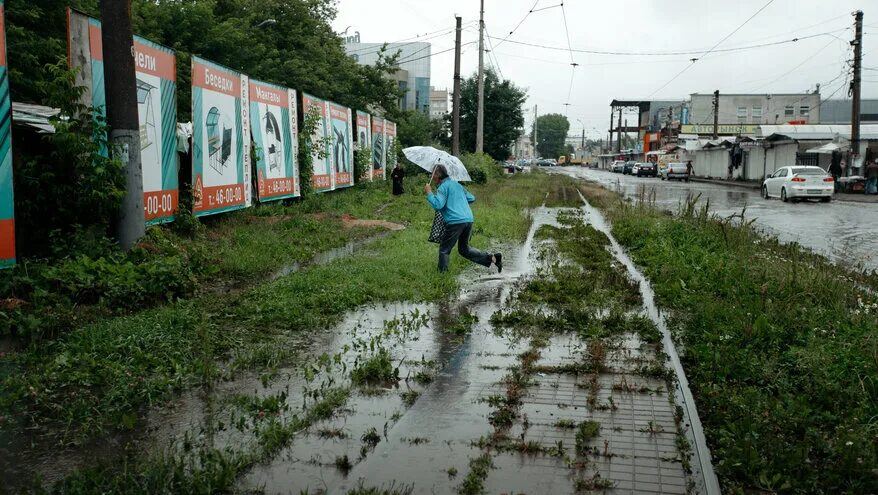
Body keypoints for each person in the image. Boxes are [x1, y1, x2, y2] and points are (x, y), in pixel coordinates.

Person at [425, 164, 502, 273]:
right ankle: (493, 258)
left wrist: (429, 193)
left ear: (438, 174)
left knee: (444, 250)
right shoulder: (457, 185)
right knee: (464, 249)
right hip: (468, 220)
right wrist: (457, 201)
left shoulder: (443, 187)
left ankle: (442, 275)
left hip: (455, 222)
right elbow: (471, 198)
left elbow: (438, 205)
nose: (432, 178)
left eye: (433, 174)